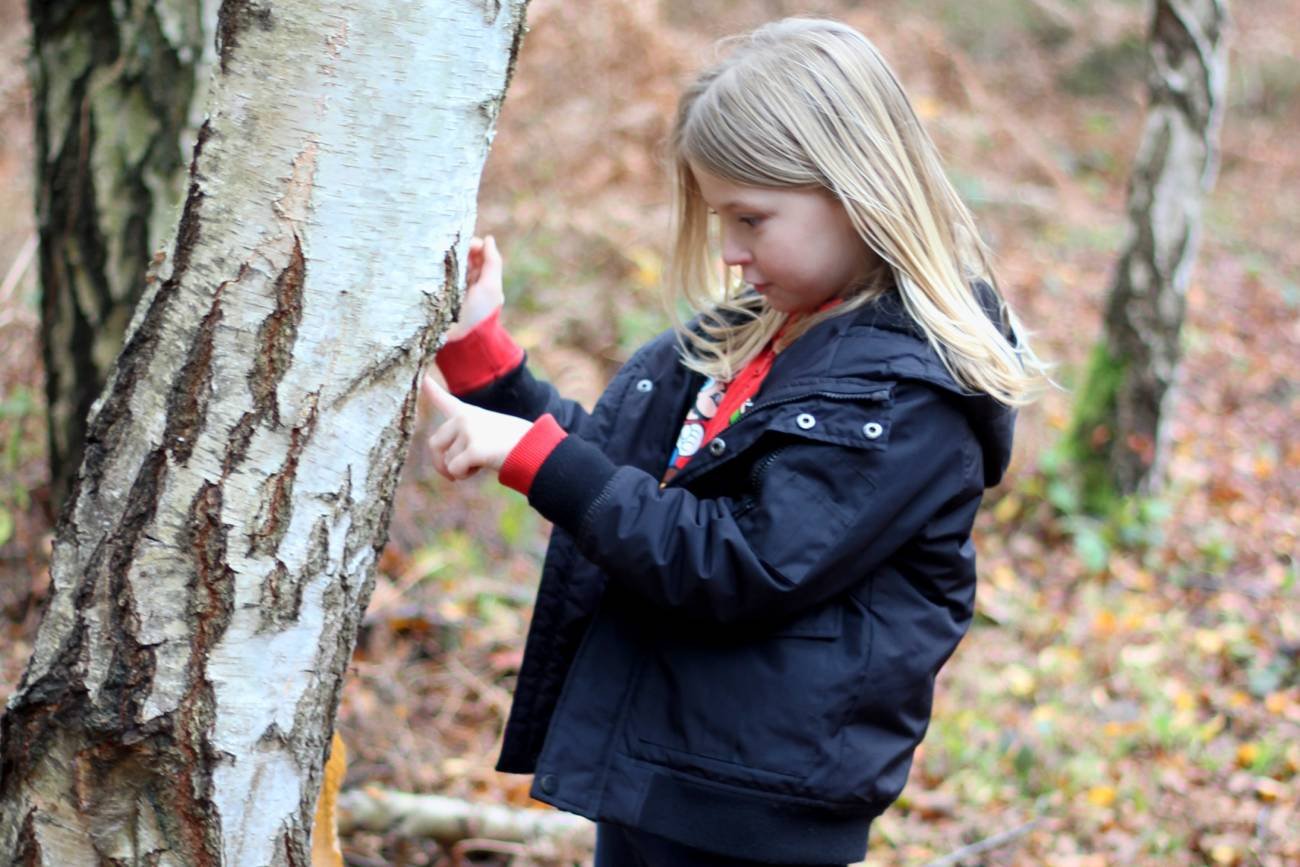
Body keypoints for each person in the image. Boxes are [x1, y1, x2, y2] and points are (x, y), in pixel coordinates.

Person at [421, 17, 1047, 867]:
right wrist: (484, 359)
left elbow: (736, 561)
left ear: (857, 190)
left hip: (752, 813)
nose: (730, 252)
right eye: (721, 218)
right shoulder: (752, 338)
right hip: (663, 766)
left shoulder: (905, 397)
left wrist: (535, 459)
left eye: (752, 219)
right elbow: (619, 480)